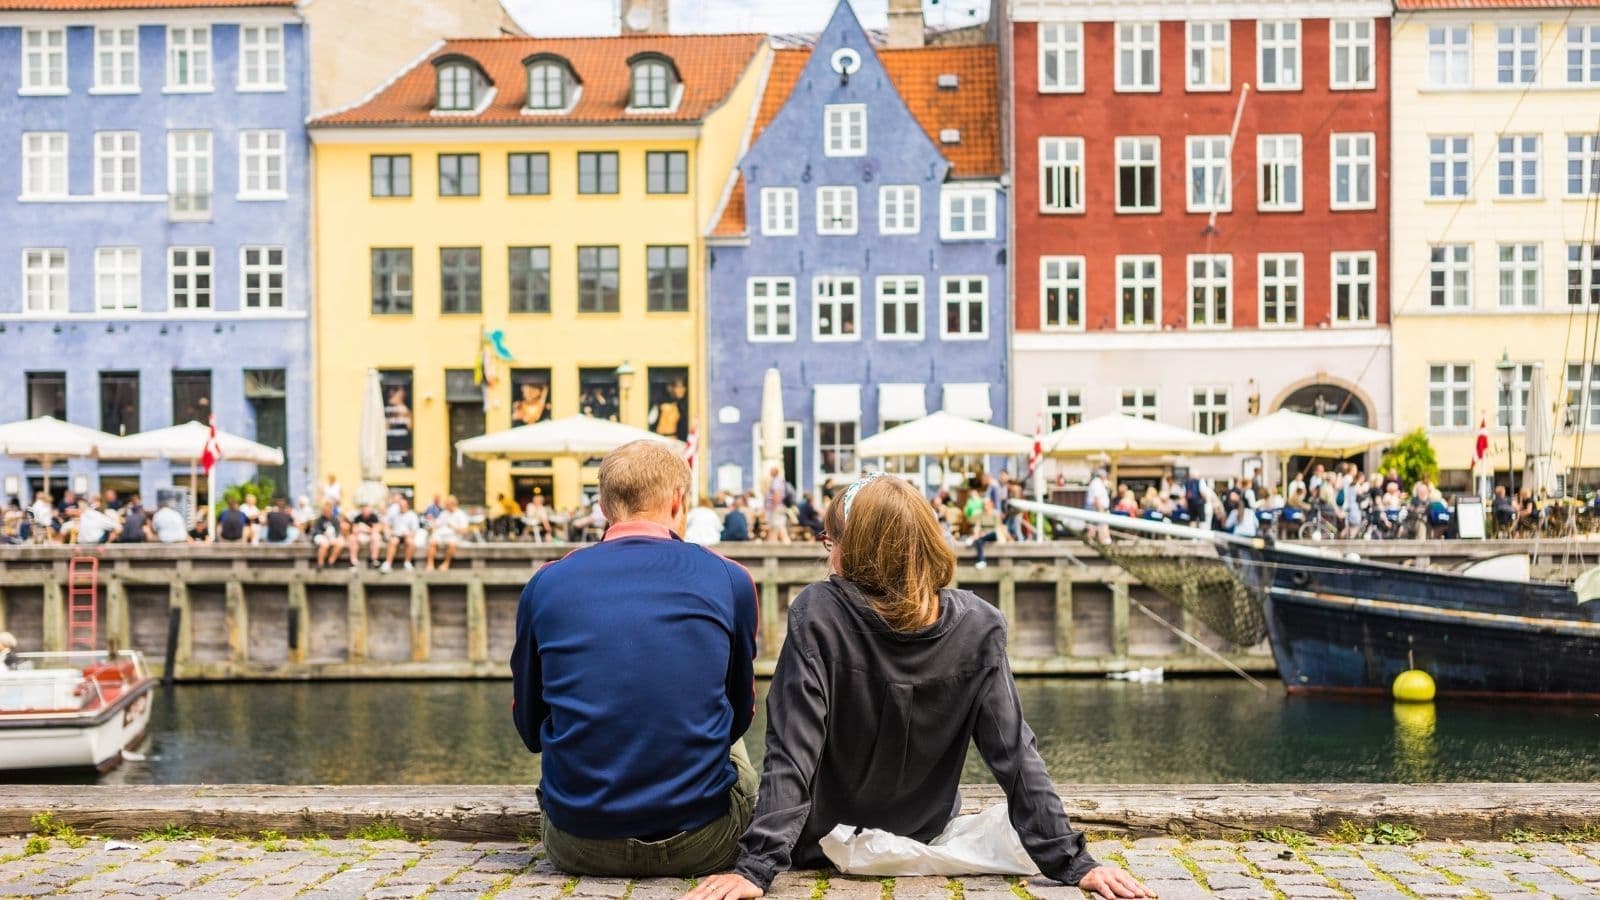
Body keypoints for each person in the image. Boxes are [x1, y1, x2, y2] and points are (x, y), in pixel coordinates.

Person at [683, 475, 1146, 900]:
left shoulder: (819, 611)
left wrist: (756, 867)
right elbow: (1014, 753)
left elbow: (792, 750)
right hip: (921, 831)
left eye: (832, 542)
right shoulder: (980, 624)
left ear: (856, 548)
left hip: (821, 837)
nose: (829, 556)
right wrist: (1071, 861)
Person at [512, 440, 758, 877]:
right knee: (729, 731)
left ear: (605, 507)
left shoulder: (546, 583)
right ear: (677, 500)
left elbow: (530, 728)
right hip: (702, 841)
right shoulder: (730, 578)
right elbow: (740, 714)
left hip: (578, 844)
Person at [428, 495, 469, 570]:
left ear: (453, 504)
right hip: (441, 535)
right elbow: (437, 524)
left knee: (452, 544)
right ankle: (430, 564)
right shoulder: (444, 513)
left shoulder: (461, 514)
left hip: (454, 535)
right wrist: (432, 524)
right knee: (432, 541)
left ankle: (446, 563)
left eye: (447, 504)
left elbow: (464, 530)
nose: (445, 506)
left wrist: (453, 527)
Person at [382, 496, 421, 572]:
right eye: (400, 505)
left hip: (407, 535)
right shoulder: (394, 514)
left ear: (407, 506)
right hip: (396, 535)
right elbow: (386, 524)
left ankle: (407, 563)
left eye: (403, 506)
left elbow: (414, 531)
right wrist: (388, 531)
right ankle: (388, 563)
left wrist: (408, 533)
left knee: (410, 542)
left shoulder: (412, 515)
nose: (401, 507)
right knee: (393, 541)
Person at [966, 495, 1006, 568]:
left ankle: (973, 538)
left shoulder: (995, 513)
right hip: (982, 534)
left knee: (984, 536)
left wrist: (985, 533)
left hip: (994, 534)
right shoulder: (981, 514)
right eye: (983, 504)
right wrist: (976, 532)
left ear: (991, 504)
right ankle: (982, 561)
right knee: (979, 541)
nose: (985, 506)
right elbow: (977, 526)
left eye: (986, 504)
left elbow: (998, 527)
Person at [347, 503, 384, 568]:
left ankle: (374, 559)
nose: (366, 512)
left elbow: (376, 529)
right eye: (364, 510)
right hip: (360, 536)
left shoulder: (374, 517)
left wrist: (365, 529)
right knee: (352, 538)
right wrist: (361, 530)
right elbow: (354, 530)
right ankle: (353, 560)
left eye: (367, 510)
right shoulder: (358, 517)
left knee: (376, 537)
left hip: (370, 536)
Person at [312, 501, 346, 568]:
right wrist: (323, 533)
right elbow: (315, 530)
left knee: (340, 543)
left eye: (328, 511)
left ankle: (331, 561)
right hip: (321, 536)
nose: (326, 512)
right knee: (325, 544)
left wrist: (335, 537)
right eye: (325, 511)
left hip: (331, 537)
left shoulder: (335, 519)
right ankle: (320, 564)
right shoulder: (319, 519)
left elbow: (338, 530)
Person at [765, 467, 791, 544]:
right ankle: (773, 543)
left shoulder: (776, 481)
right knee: (778, 527)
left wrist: (774, 507)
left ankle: (783, 543)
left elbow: (776, 494)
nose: (769, 472)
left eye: (771, 471)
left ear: (774, 472)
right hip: (779, 506)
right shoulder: (780, 481)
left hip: (776, 507)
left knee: (776, 526)